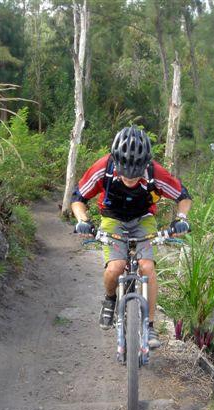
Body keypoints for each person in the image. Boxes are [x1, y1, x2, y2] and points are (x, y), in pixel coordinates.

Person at [71, 126, 192, 349]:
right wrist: (83, 221)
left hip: (143, 218)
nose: (129, 180)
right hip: (112, 217)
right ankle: (109, 299)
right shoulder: (104, 168)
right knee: (116, 267)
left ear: (145, 165)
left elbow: (183, 196)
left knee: (147, 266)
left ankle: (150, 326)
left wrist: (181, 218)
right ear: (116, 161)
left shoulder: (156, 172)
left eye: (135, 176)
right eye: (125, 174)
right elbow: (78, 197)